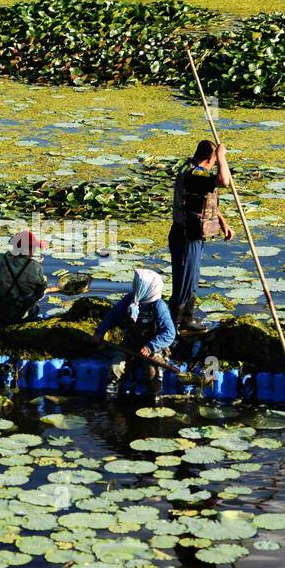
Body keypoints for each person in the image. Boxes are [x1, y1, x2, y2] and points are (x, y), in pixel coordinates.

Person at [169, 139, 234, 333]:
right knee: (184, 281)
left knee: (192, 278)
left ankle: (187, 318)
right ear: (209, 158)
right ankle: (174, 325)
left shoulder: (193, 170)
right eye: (214, 160)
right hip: (186, 236)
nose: (216, 164)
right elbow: (224, 181)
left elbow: (203, 199)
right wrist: (221, 156)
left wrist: (222, 221)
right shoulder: (194, 175)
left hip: (193, 236)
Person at [92, 268, 177, 396]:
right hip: (130, 344)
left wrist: (150, 347)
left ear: (147, 289)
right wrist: (100, 332)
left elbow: (169, 332)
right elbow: (112, 316)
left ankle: (155, 395)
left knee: (152, 371)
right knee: (116, 366)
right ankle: (111, 396)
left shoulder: (158, 306)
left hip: (154, 348)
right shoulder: (129, 300)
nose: (133, 286)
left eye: (136, 284)